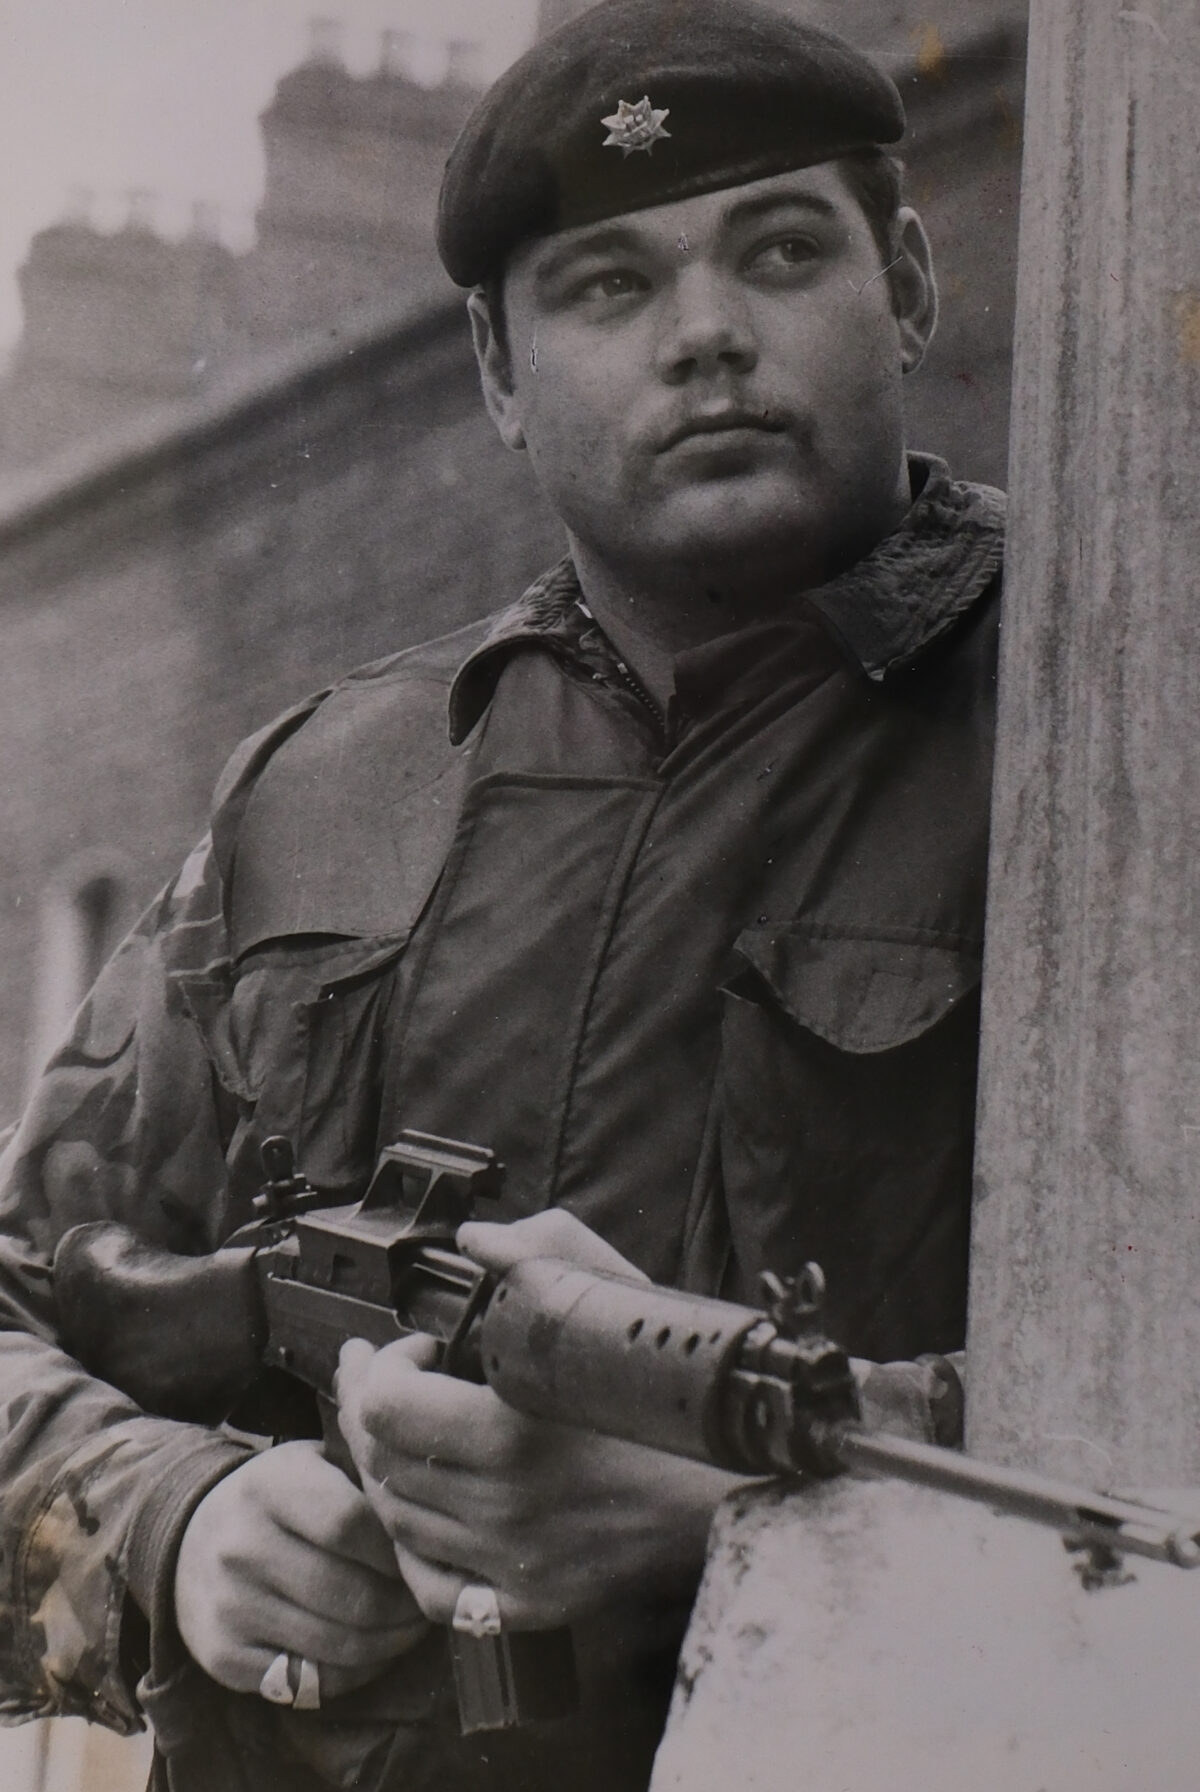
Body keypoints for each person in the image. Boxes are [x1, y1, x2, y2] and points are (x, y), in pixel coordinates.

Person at [0, 2, 1004, 1788]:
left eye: (780, 252)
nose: (708, 337)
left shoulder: (1110, 731)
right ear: (495, 368)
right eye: (608, 287)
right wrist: (174, 1532)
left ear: (909, 283)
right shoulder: (316, 792)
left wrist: (766, 1502)